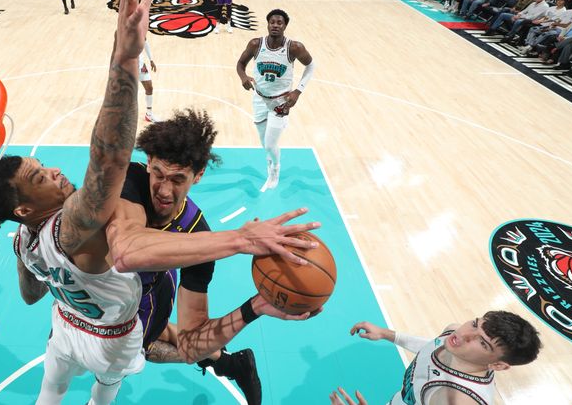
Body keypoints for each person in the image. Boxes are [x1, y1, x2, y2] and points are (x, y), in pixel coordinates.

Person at [0, 0, 153, 405]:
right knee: (102, 394)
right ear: (24, 207)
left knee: (50, 391)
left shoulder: (23, 239)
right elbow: (109, 159)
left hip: (66, 322)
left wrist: (31, 258)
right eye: (38, 175)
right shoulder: (67, 225)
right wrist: (124, 57)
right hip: (110, 333)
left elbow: (33, 296)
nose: (52, 169)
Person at [110, 109, 320, 404]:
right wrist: (241, 239)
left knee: (148, 347)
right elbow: (125, 250)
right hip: (123, 280)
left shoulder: (197, 232)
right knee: (150, 336)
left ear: (198, 176)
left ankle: (231, 364)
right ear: (148, 163)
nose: (164, 190)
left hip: (147, 290)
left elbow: (190, 347)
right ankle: (230, 363)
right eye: (158, 173)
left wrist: (254, 307)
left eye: (178, 179)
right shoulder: (128, 181)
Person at [339, 311, 541, 404]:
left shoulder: (458, 399)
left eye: (482, 342)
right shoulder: (452, 334)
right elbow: (431, 346)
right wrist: (387, 334)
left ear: (497, 364)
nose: (464, 335)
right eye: (474, 324)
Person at [236, 9, 315, 192]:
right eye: (272, 22)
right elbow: (240, 64)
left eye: (279, 23)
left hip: (281, 101)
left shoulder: (294, 47)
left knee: (271, 144)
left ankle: (275, 169)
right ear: (268, 24)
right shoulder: (256, 44)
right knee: (265, 143)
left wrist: (298, 91)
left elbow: (311, 65)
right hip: (259, 98)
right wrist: (243, 77)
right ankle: (271, 160)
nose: (276, 25)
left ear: (285, 26)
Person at [140, 39, 158, 122]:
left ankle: (149, 114)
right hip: (129, 66)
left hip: (141, 66)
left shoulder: (140, 30)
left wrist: (151, 60)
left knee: (149, 88)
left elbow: (145, 43)